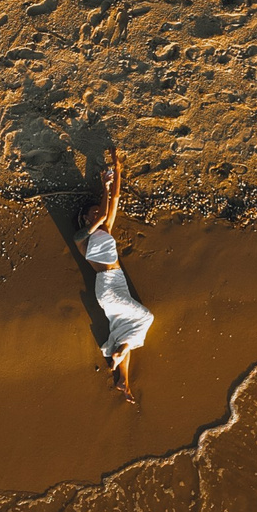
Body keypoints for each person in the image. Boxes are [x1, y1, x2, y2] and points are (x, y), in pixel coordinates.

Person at [77, 152, 153, 401]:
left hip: (116, 282)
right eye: (92, 212)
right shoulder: (81, 239)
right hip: (108, 288)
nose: (98, 213)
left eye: (97, 210)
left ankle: (124, 380)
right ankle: (120, 355)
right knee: (146, 317)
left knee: (123, 332)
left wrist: (118, 169)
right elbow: (102, 214)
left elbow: (116, 199)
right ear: (85, 218)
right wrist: (105, 186)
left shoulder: (106, 228)